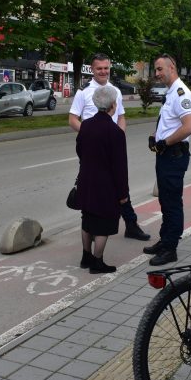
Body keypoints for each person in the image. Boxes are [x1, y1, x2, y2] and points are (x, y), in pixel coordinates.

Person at [69, 52, 150, 241]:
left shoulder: (115, 91)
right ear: (92, 69)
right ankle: (89, 227)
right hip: (92, 150)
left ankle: (131, 225)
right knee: (89, 188)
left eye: (106, 68)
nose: (103, 72)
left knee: (120, 185)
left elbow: (121, 117)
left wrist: (118, 136)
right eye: (99, 68)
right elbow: (72, 119)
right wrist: (91, 135)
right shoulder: (84, 91)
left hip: (111, 148)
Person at [143, 54, 191, 266]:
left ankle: (170, 248)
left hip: (174, 155)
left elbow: (188, 127)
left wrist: (165, 142)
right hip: (165, 154)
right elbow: (168, 122)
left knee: (172, 202)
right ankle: (165, 240)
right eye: (155, 69)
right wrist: (155, 137)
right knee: (165, 200)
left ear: (171, 68)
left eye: (159, 69)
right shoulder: (171, 92)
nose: (156, 73)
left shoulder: (182, 93)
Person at [75, 85, 129, 273]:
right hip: (106, 186)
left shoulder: (86, 125)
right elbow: (120, 167)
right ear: (113, 105)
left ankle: (86, 257)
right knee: (103, 224)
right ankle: (97, 262)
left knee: (87, 219)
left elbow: (79, 150)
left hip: (86, 180)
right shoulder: (116, 132)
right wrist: (123, 194)